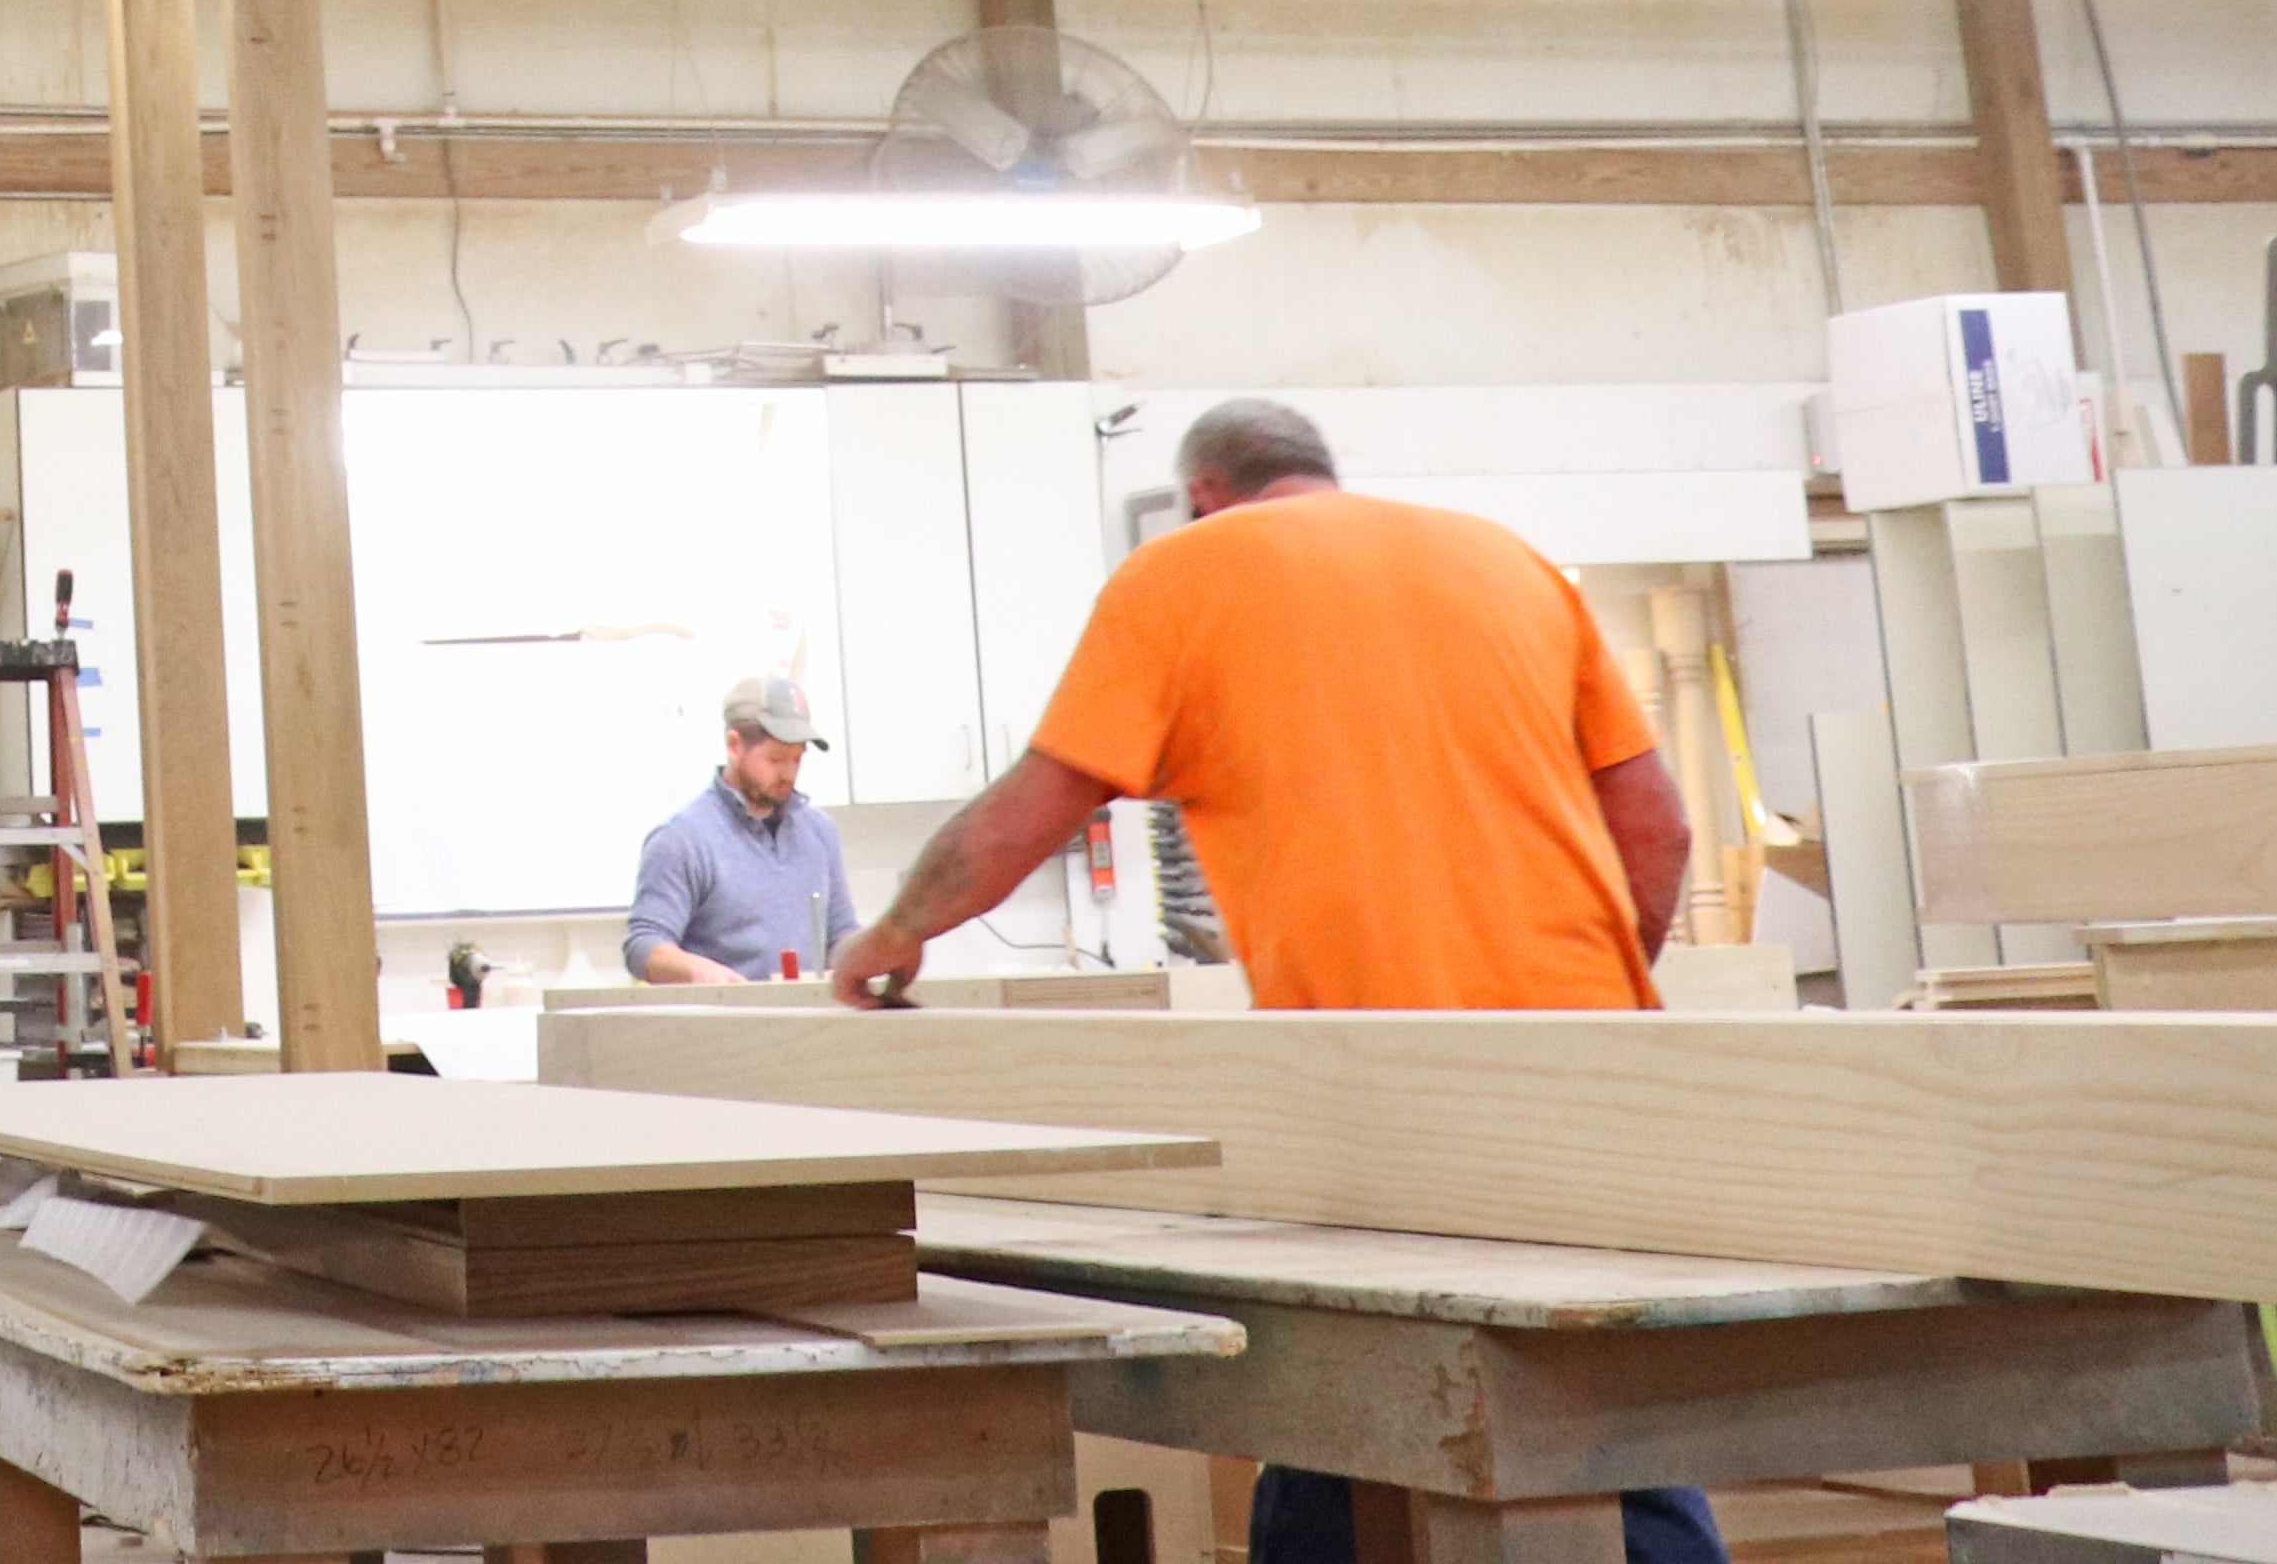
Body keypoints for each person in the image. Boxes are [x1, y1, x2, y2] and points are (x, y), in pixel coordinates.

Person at [823, 400, 1712, 1564]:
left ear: (1202, 493)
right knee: (1601, 1406)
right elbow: (1660, 830)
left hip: (1374, 1084)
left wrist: (894, 930)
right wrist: (1573, 997)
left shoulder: (1181, 576)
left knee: (1348, 1402)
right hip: (1589, 1059)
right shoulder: (1508, 559)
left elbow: (1032, 811)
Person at [624, 673, 848, 983]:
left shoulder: (820, 832)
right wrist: (700, 972)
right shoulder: (682, 839)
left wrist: (876, 953)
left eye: (797, 759)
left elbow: (841, 933)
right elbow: (644, 945)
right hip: (725, 1026)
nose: (788, 773)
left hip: (809, 1025)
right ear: (734, 745)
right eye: (776, 758)